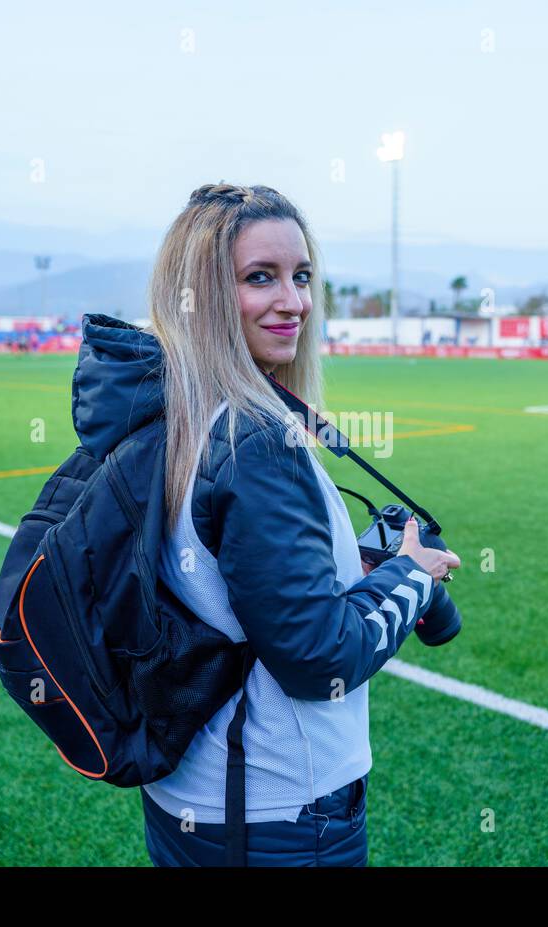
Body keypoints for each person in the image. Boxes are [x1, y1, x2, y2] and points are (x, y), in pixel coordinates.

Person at [74, 183, 460, 867]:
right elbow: (320, 657)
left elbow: (228, 588)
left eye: (302, 276)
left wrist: (348, 574)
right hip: (275, 814)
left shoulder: (168, 410)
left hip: (188, 800)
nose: (295, 301)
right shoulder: (253, 442)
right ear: (205, 293)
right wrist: (413, 574)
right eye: (261, 277)